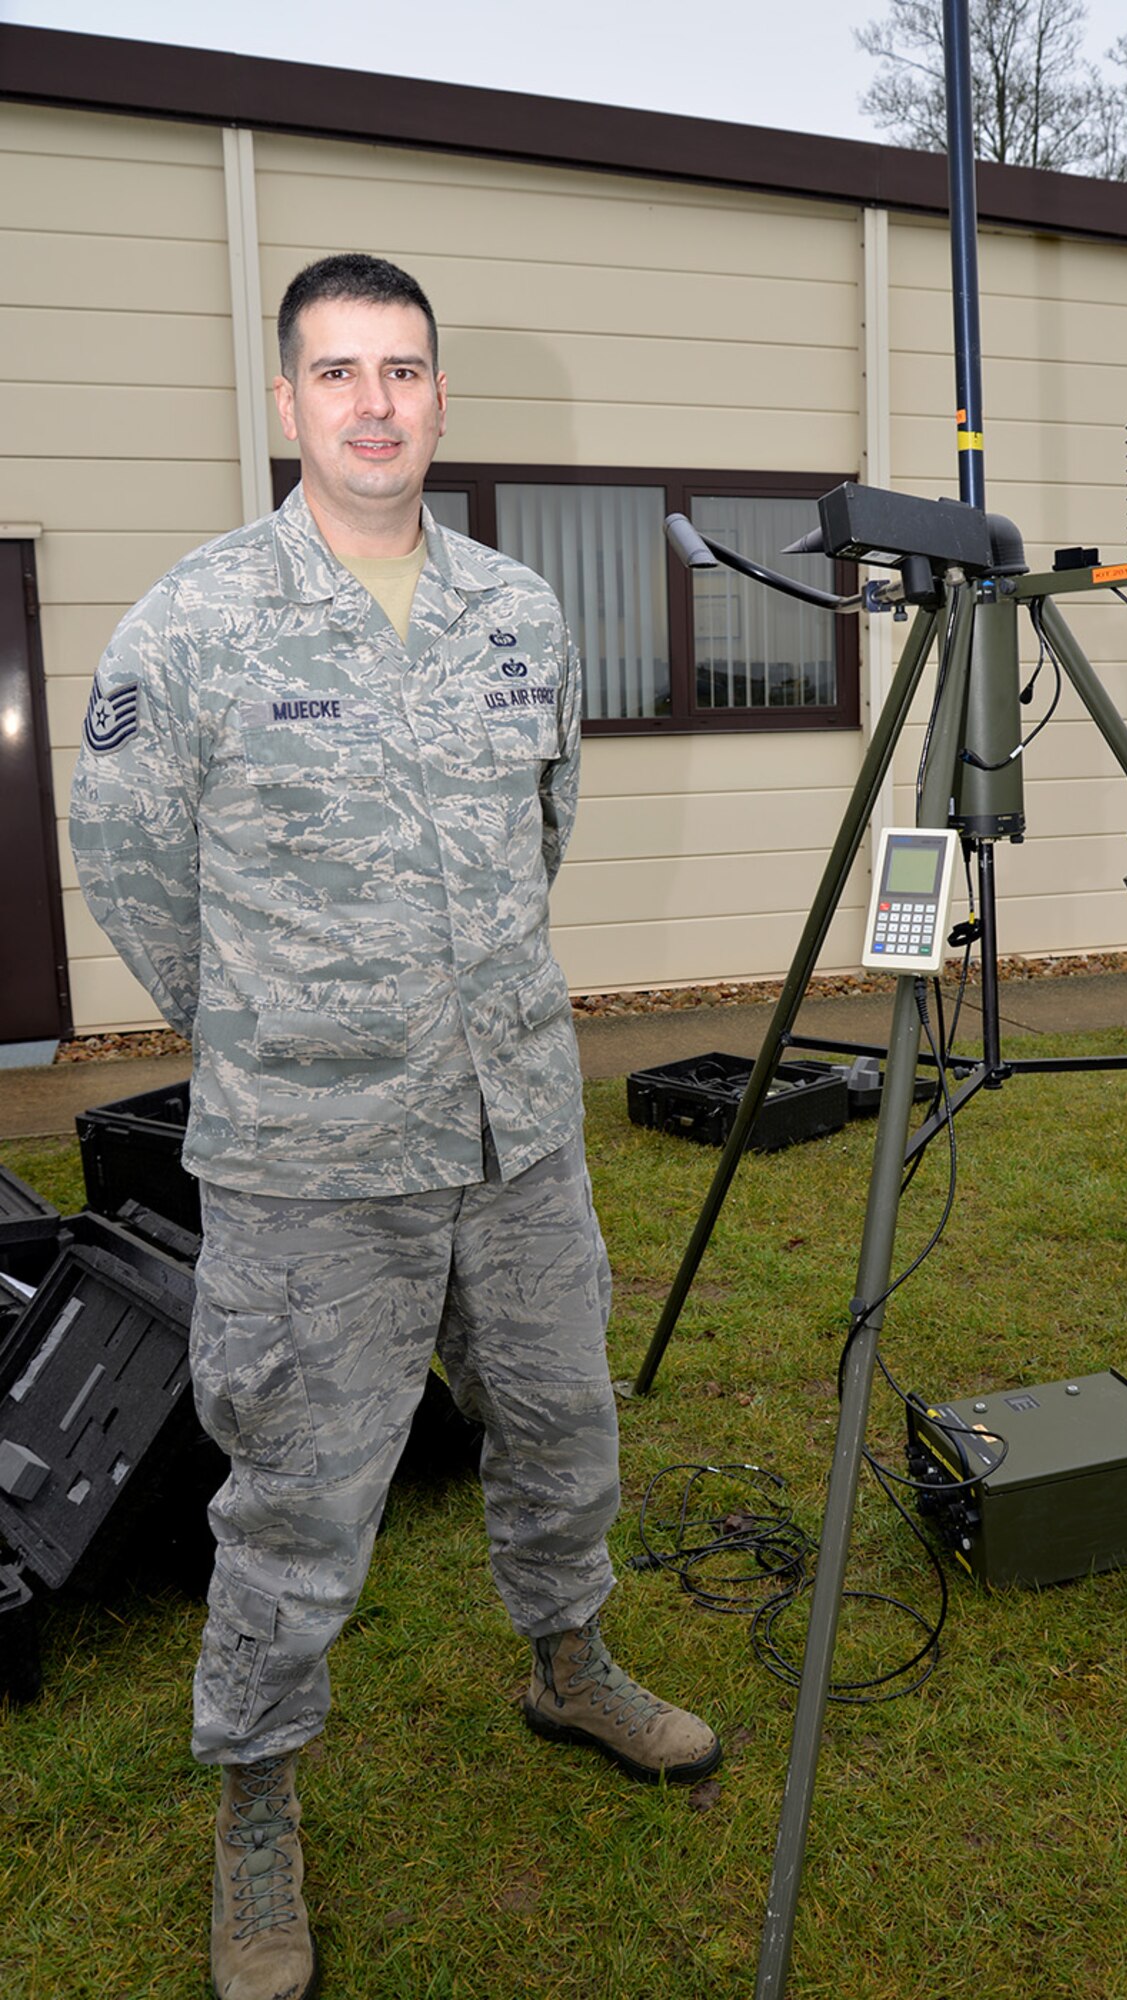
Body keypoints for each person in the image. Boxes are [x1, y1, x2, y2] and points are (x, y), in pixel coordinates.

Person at [70, 253, 719, 2000]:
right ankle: (256, 1807)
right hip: (307, 1166)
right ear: (286, 404)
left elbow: (543, 827)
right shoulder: (194, 623)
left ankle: (569, 1662)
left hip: (514, 1128)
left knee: (561, 1420)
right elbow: (131, 870)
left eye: (404, 370)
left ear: (437, 397)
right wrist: (278, 1030)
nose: (374, 402)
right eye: (338, 372)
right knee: (293, 1502)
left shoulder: (519, 614)